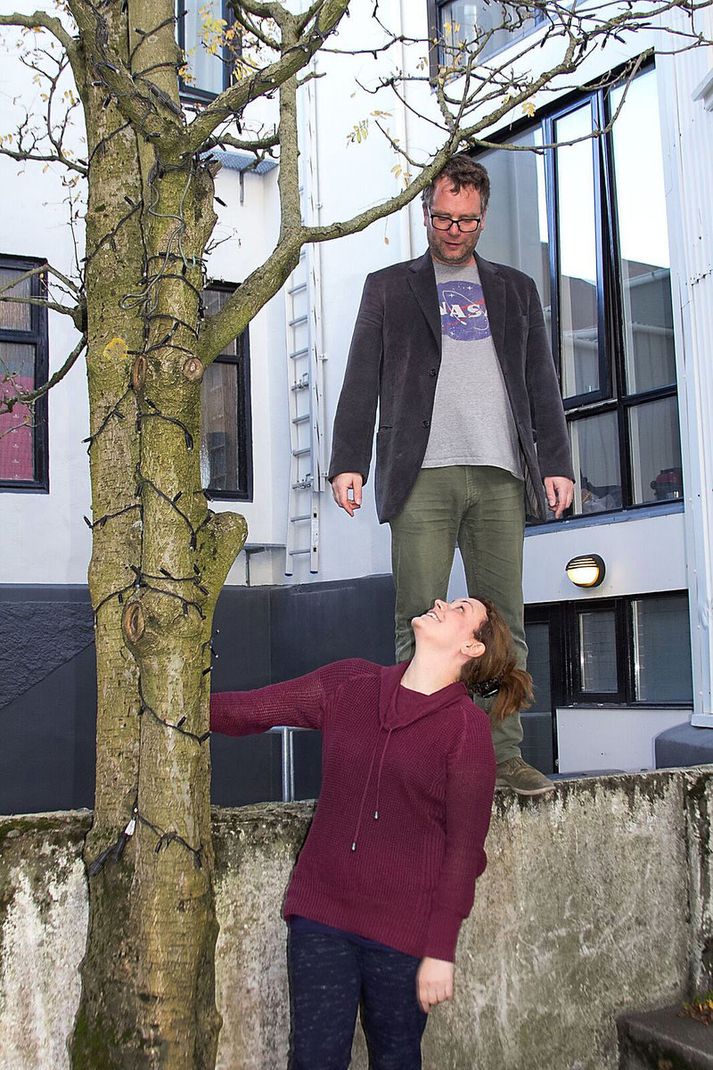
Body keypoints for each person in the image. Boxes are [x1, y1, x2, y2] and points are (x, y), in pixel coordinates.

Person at [329, 153, 575, 796]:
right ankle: (419, 754)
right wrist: (348, 460)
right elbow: (361, 378)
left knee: (503, 622)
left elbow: (540, 383)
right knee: (418, 617)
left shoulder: (516, 289)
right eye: (442, 216)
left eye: (466, 219)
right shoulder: (389, 287)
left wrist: (556, 464)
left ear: (483, 217)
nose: (453, 229)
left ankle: (502, 756)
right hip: (422, 476)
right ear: (427, 211)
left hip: (500, 473)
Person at [211, 597, 532, 1070]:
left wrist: (441, 951)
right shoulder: (351, 684)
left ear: (471, 646)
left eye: (461, 608)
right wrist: (172, 709)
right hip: (321, 915)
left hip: (403, 935)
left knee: (396, 1060)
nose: (442, 602)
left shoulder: (466, 731)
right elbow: (255, 709)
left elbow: (464, 852)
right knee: (314, 1061)